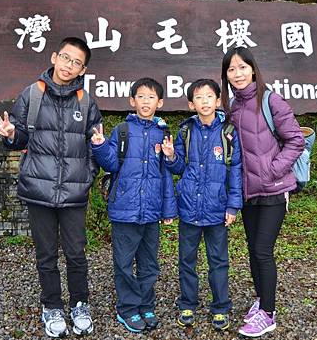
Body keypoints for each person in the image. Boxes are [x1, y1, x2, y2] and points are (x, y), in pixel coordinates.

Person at [0, 37, 101, 338]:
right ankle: (52, 305)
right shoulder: (32, 95)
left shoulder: (86, 102)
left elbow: (96, 146)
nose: (69, 66)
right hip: (38, 191)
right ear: (55, 57)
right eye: (66, 58)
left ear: (83, 70)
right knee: (46, 255)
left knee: (77, 254)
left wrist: (87, 175)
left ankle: (80, 303)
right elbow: (18, 138)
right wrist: (10, 135)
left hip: (74, 194)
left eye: (77, 62)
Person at [220, 47, 304, 338]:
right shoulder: (231, 108)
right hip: (247, 193)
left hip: (273, 190)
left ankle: (268, 313)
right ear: (226, 75)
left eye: (242, 67)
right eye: (231, 69)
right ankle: (261, 300)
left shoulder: (271, 100)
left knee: (262, 251)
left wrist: (272, 171)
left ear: (253, 69)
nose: (238, 73)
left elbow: (296, 141)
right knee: (253, 251)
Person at [90, 77, 177, 333]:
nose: (146, 101)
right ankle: (128, 308)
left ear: (159, 102)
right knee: (125, 263)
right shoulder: (122, 130)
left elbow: (165, 175)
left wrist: (168, 209)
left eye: (151, 97)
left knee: (149, 263)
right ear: (132, 101)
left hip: (151, 211)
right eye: (141, 96)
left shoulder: (163, 133)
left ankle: (146, 304)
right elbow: (112, 165)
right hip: (125, 210)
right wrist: (100, 146)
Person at [162, 79, 243, 331]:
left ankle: (220, 306)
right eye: (199, 97)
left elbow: (236, 171)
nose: (205, 101)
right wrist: (171, 156)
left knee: (218, 260)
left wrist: (233, 206)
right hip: (188, 208)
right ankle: (188, 302)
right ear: (191, 103)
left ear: (218, 101)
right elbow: (177, 168)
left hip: (218, 209)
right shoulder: (185, 131)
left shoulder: (229, 132)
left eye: (209, 96)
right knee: (187, 259)